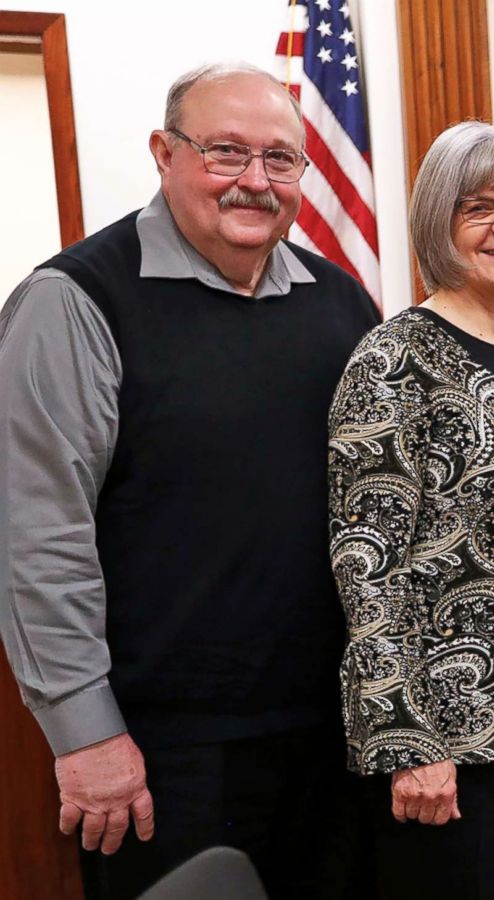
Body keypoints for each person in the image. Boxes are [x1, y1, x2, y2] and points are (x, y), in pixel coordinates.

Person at [0, 63, 379, 899]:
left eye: (280, 159)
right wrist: (85, 736)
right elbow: (36, 535)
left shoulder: (342, 304)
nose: (254, 181)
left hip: (334, 738)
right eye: (225, 152)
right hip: (159, 753)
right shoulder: (73, 303)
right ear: (163, 153)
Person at [327, 122, 494, 900]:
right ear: (438, 222)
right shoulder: (391, 361)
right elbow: (364, 566)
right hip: (450, 739)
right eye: (479, 207)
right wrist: (410, 742)